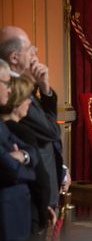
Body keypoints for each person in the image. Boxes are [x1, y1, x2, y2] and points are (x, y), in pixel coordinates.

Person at [0, 26, 70, 218]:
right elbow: (50, 132)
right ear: (14, 58)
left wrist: (61, 168)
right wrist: (43, 87)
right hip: (33, 192)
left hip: (44, 181)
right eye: (30, 48)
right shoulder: (14, 92)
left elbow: (46, 137)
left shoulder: (23, 84)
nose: (34, 53)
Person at [0, 75, 55, 238]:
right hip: (22, 209)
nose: (30, 102)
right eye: (27, 97)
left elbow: (30, 156)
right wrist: (29, 171)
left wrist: (23, 156)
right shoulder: (17, 129)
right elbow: (28, 173)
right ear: (16, 100)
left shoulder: (11, 128)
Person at [0, 58, 37, 241]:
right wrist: (30, 172)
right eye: (6, 83)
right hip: (6, 215)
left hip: (16, 211)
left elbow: (31, 151)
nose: (9, 89)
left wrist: (22, 154)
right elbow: (9, 167)